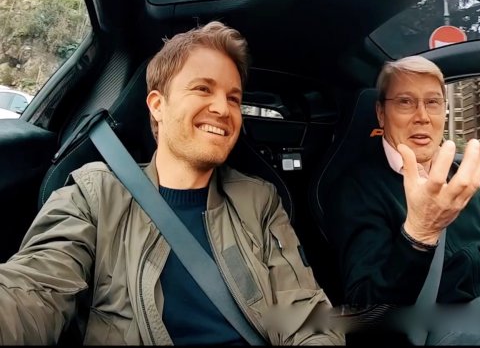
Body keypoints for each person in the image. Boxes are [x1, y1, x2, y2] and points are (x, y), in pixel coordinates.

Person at [0, 21, 344, 345]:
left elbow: (305, 316)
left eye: (234, 98)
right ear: (157, 105)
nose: (223, 108)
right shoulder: (94, 194)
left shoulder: (259, 200)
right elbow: (34, 289)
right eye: (202, 88)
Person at [326, 56, 480, 343]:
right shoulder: (357, 189)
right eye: (405, 102)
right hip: (436, 332)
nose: (423, 116)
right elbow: (367, 309)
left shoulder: (454, 174)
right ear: (381, 113)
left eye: (433, 102)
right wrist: (419, 233)